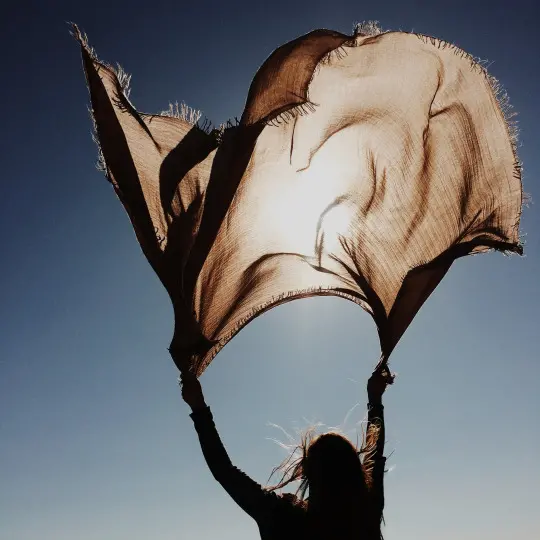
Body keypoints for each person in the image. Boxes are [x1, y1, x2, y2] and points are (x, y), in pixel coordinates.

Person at [180, 365, 393, 540]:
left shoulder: (284, 518)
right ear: (356, 471)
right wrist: (375, 400)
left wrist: (198, 406)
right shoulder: (367, 512)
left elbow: (224, 471)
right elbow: (374, 452)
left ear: (306, 472)